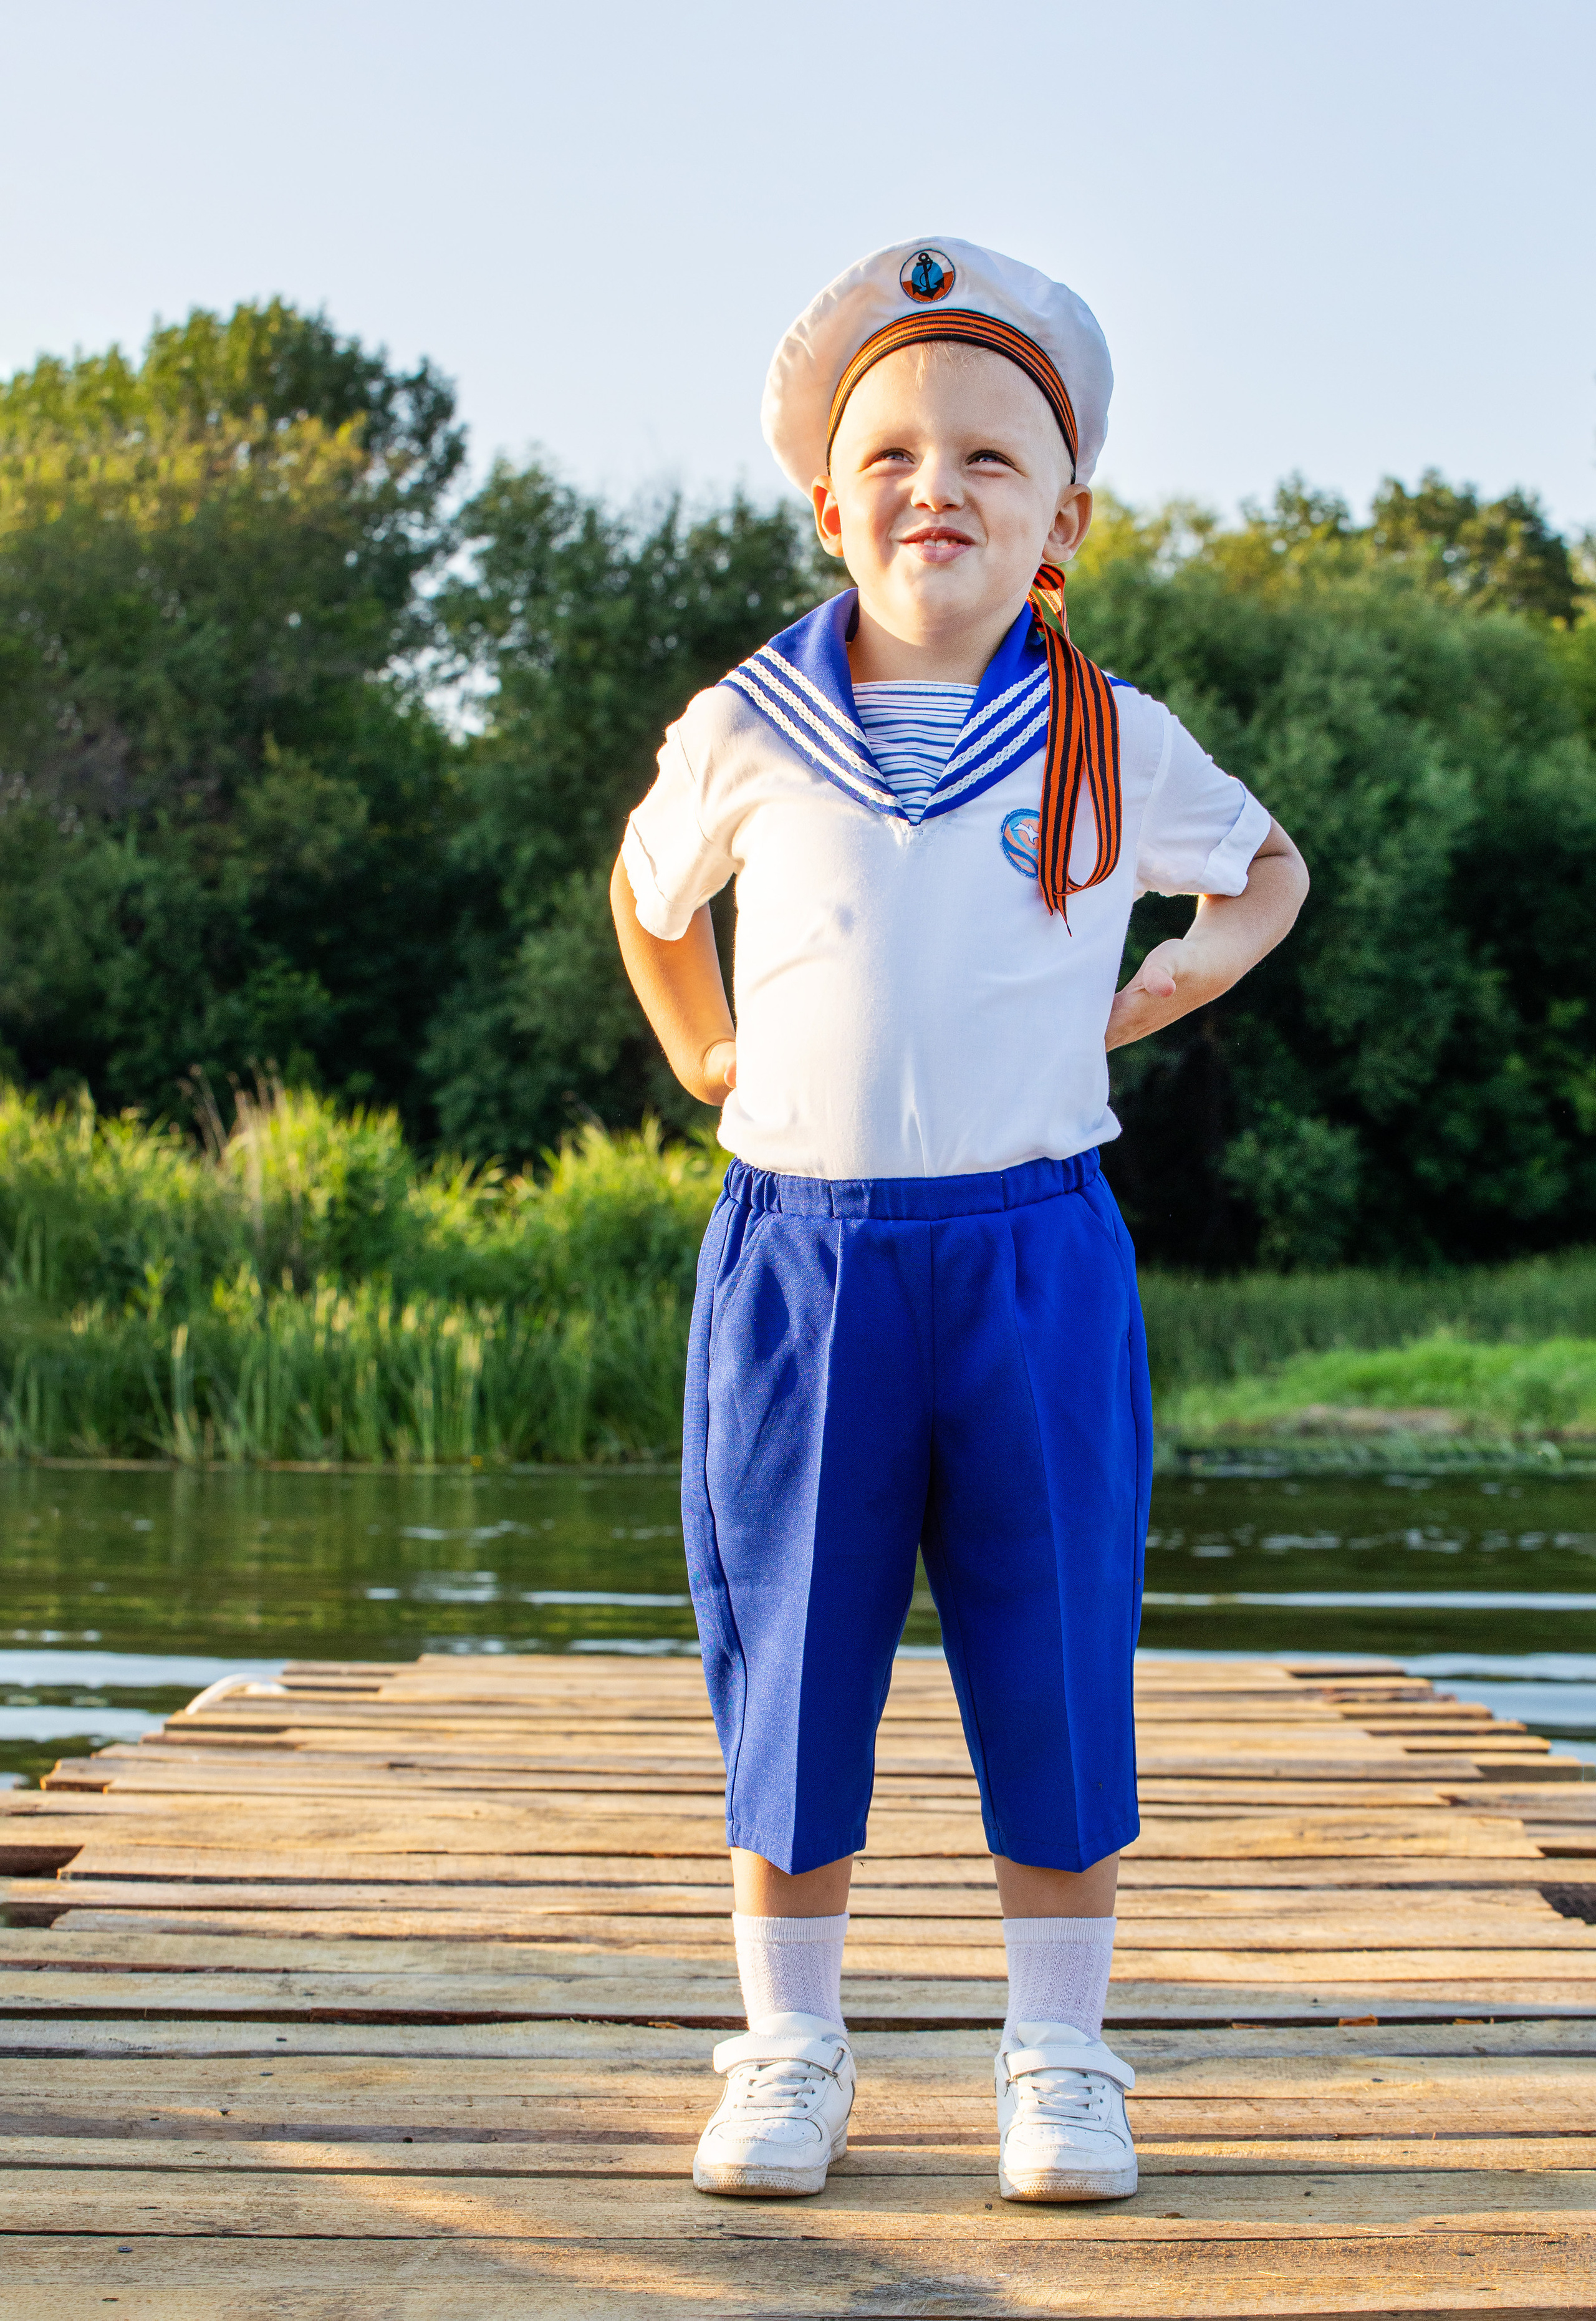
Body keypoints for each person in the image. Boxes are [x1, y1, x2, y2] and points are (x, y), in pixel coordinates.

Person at [610, 238, 1308, 2204]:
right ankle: (789, 2043)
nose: (943, 485)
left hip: (1032, 1251)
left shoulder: (1104, 730)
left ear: (1064, 515)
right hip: (806, 1252)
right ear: (831, 502)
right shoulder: (754, 720)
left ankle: (1063, 2051)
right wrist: (705, 1055)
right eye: (896, 452)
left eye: (995, 459)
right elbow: (651, 895)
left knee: (1054, 1634)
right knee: (795, 1649)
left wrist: (1181, 972)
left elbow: (1267, 865)